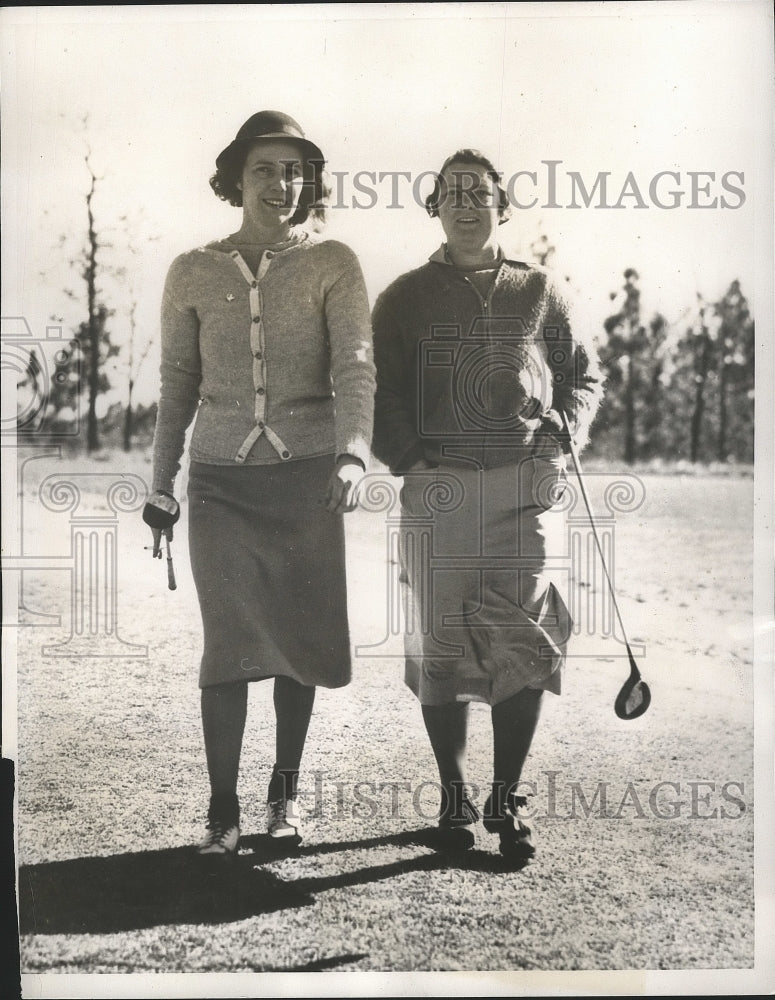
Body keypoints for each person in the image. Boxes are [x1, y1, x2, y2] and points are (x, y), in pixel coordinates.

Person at [146, 110, 375, 856]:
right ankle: (222, 811)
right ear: (235, 179)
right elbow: (177, 386)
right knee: (231, 644)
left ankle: (284, 795)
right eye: (266, 169)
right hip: (219, 483)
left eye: (294, 170)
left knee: (297, 641)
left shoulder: (334, 261)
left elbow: (354, 366)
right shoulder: (191, 270)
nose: (282, 183)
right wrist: (161, 484)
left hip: (307, 478)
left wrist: (351, 451)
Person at [372, 149, 603, 862]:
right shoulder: (403, 296)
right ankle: (452, 793)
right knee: (440, 646)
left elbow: (581, 379)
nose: (466, 204)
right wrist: (409, 458)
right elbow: (376, 392)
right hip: (435, 491)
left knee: (526, 642)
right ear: (434, 207)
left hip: (523, 490)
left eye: (480, 192)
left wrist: (564, 436)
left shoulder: (538, 289)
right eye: (452, 193)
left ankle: (505, 797)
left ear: (501, 206)